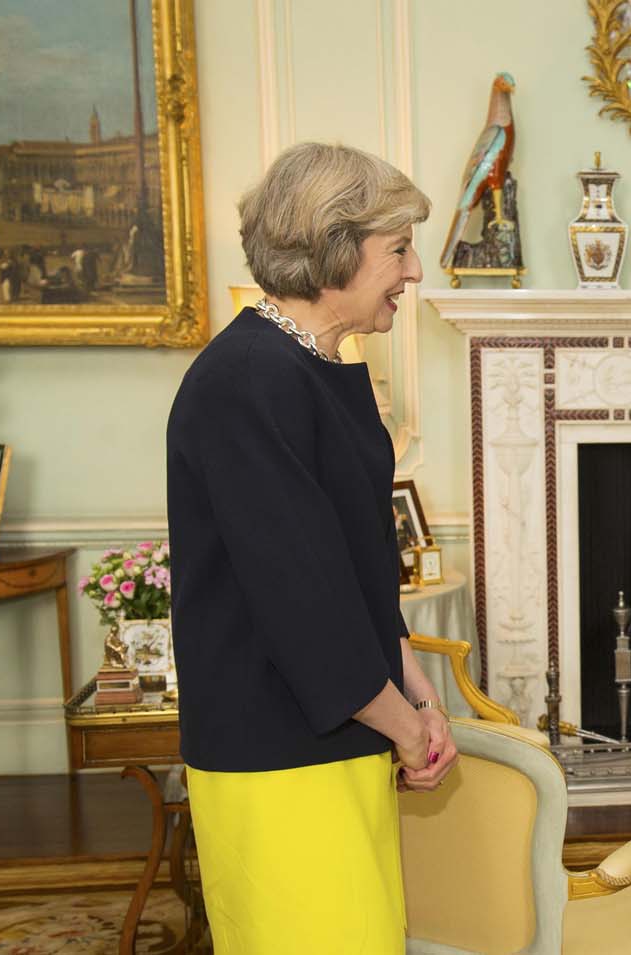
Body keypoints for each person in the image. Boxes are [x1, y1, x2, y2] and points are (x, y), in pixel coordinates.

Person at [167, 142, 455, 954]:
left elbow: (356, 560)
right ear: (335, 249)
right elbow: (300, 601)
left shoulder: (315, 364)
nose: (414, 271)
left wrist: (416, 690)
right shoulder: (247, 381)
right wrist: (406, 726)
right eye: (398, 249)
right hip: (275, 747)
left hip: (340, 727)